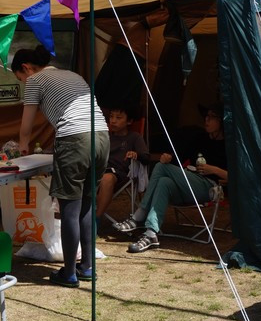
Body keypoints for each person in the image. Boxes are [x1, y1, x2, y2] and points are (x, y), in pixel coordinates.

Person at [13, 45, 110, 287]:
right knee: (87, 203)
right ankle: (86, 266)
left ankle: (69, 273)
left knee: (70, 208)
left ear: (25, 68)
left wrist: (22, 145)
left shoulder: (35, 80)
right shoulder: (72, 75)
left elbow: (26, 125)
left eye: (20, 78)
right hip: (102, 136)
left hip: (75, 139)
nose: (24, 82)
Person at [113, 103, 228, 253]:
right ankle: (151, 234)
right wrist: (169, 158)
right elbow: (179, 159)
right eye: (206, 116)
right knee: (163, 181)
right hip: (187, 182)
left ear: (222, 122)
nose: (206, 120)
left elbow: (236, 177)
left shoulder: (229, 145)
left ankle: (139, 215)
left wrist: (214, 169)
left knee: (161, 168)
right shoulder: (200, 137)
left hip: (209, 186)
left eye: (212, 117)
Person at [96, 107, 150, 223]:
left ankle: (95, 219)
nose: (113, 121)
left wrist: (136, 154)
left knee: (107, 178)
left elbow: (146, 157)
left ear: (129, 121)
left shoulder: (134, 137)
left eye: (118, 118)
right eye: (111, 117)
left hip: (119, 174)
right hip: (98, 170)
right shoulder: (104, 136)